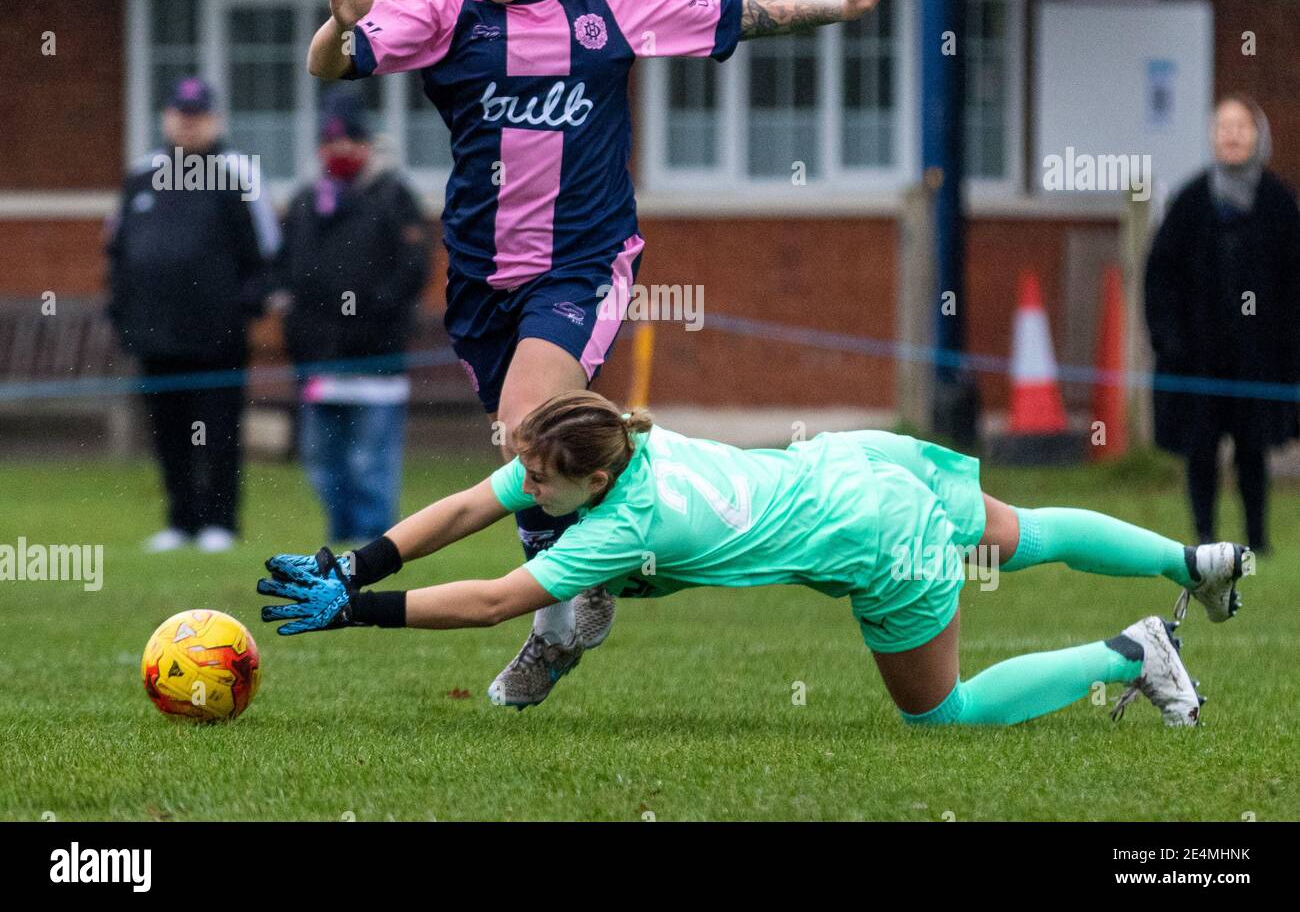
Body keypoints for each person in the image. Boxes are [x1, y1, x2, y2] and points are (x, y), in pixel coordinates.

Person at [305, 0, 892, 707]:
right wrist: (340, 25)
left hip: (583, 263)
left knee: (528, 424)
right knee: (522, 448)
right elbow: (329, 68)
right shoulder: (441, 6)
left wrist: (839, 7)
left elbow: (730, 15)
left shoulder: (605, 8)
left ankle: (552, 623)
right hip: (481, 275)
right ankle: (579, 590)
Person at [258, 392, 1251, 726]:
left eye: (537, 475)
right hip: (864, 458)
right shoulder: (607, 443)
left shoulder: (619, 522)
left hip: (876, 539)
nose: (520, 484)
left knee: (942, 717)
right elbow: (475, 503)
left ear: (588, 482)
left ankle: (1130, 654)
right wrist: (360, 562)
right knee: (1026, 533)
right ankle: (1190, 557)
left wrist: (357, 614)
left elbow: (487, 599)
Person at [106, 77, 279, 552]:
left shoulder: (237, 173)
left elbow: (264, 252)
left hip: (216, 338)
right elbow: (119, 252)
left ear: (214, 120)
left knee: (219, 431)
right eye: (180, 114)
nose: (187, 123)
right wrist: (124, 316)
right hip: (156, 336)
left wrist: (242, 309)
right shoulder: (142, 175)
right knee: (168, 433)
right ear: (167, 117)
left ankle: (219, 521)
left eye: (197, 115)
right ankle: (181, 520)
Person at [272, 87, 430, 547]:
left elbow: (412, 270)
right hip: (317, 357)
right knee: (322, 455)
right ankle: (340, 536)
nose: (338, 151)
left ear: (365, 143)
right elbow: (287, 269)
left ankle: (372, 541)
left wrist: (373, 312)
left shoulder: (395, 197)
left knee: (371, 458)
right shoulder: (305, 201)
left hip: (375, 356)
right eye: (329, 142)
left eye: (348, 141)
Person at [1144, 93, 1300, 555]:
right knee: (1201, 450)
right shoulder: (1190, 202)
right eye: (1224, 127)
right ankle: (1205, 540)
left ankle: (1257, 541)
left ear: (1259, 136)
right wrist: (1169, 338)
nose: (1232, 136)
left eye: (1242, 127)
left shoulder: (1279, 203)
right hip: (1199, 358)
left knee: (1254, 450)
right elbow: (1161, 275)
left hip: (1258, 359)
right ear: (1212, 137)